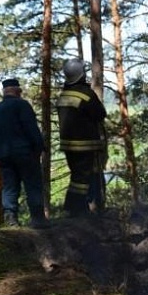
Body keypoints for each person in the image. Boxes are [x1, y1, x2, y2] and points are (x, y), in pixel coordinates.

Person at [0, 78, 50, 229]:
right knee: (32, 184)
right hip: (25, 154)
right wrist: (39, 147)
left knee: (9, 187)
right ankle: (38, 219)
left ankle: (11, 220)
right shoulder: (22, 106)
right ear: (17, 91)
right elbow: (31, 129)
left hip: (4, 156)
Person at [56, 58, 108, 217]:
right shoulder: (86, 94)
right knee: (82, 178)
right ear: (81, 75)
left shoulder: (63, 95)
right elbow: (100, 114)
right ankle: (75, 208)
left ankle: (78, 207)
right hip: (86, 144)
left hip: (68, 145)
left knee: (77, 175)